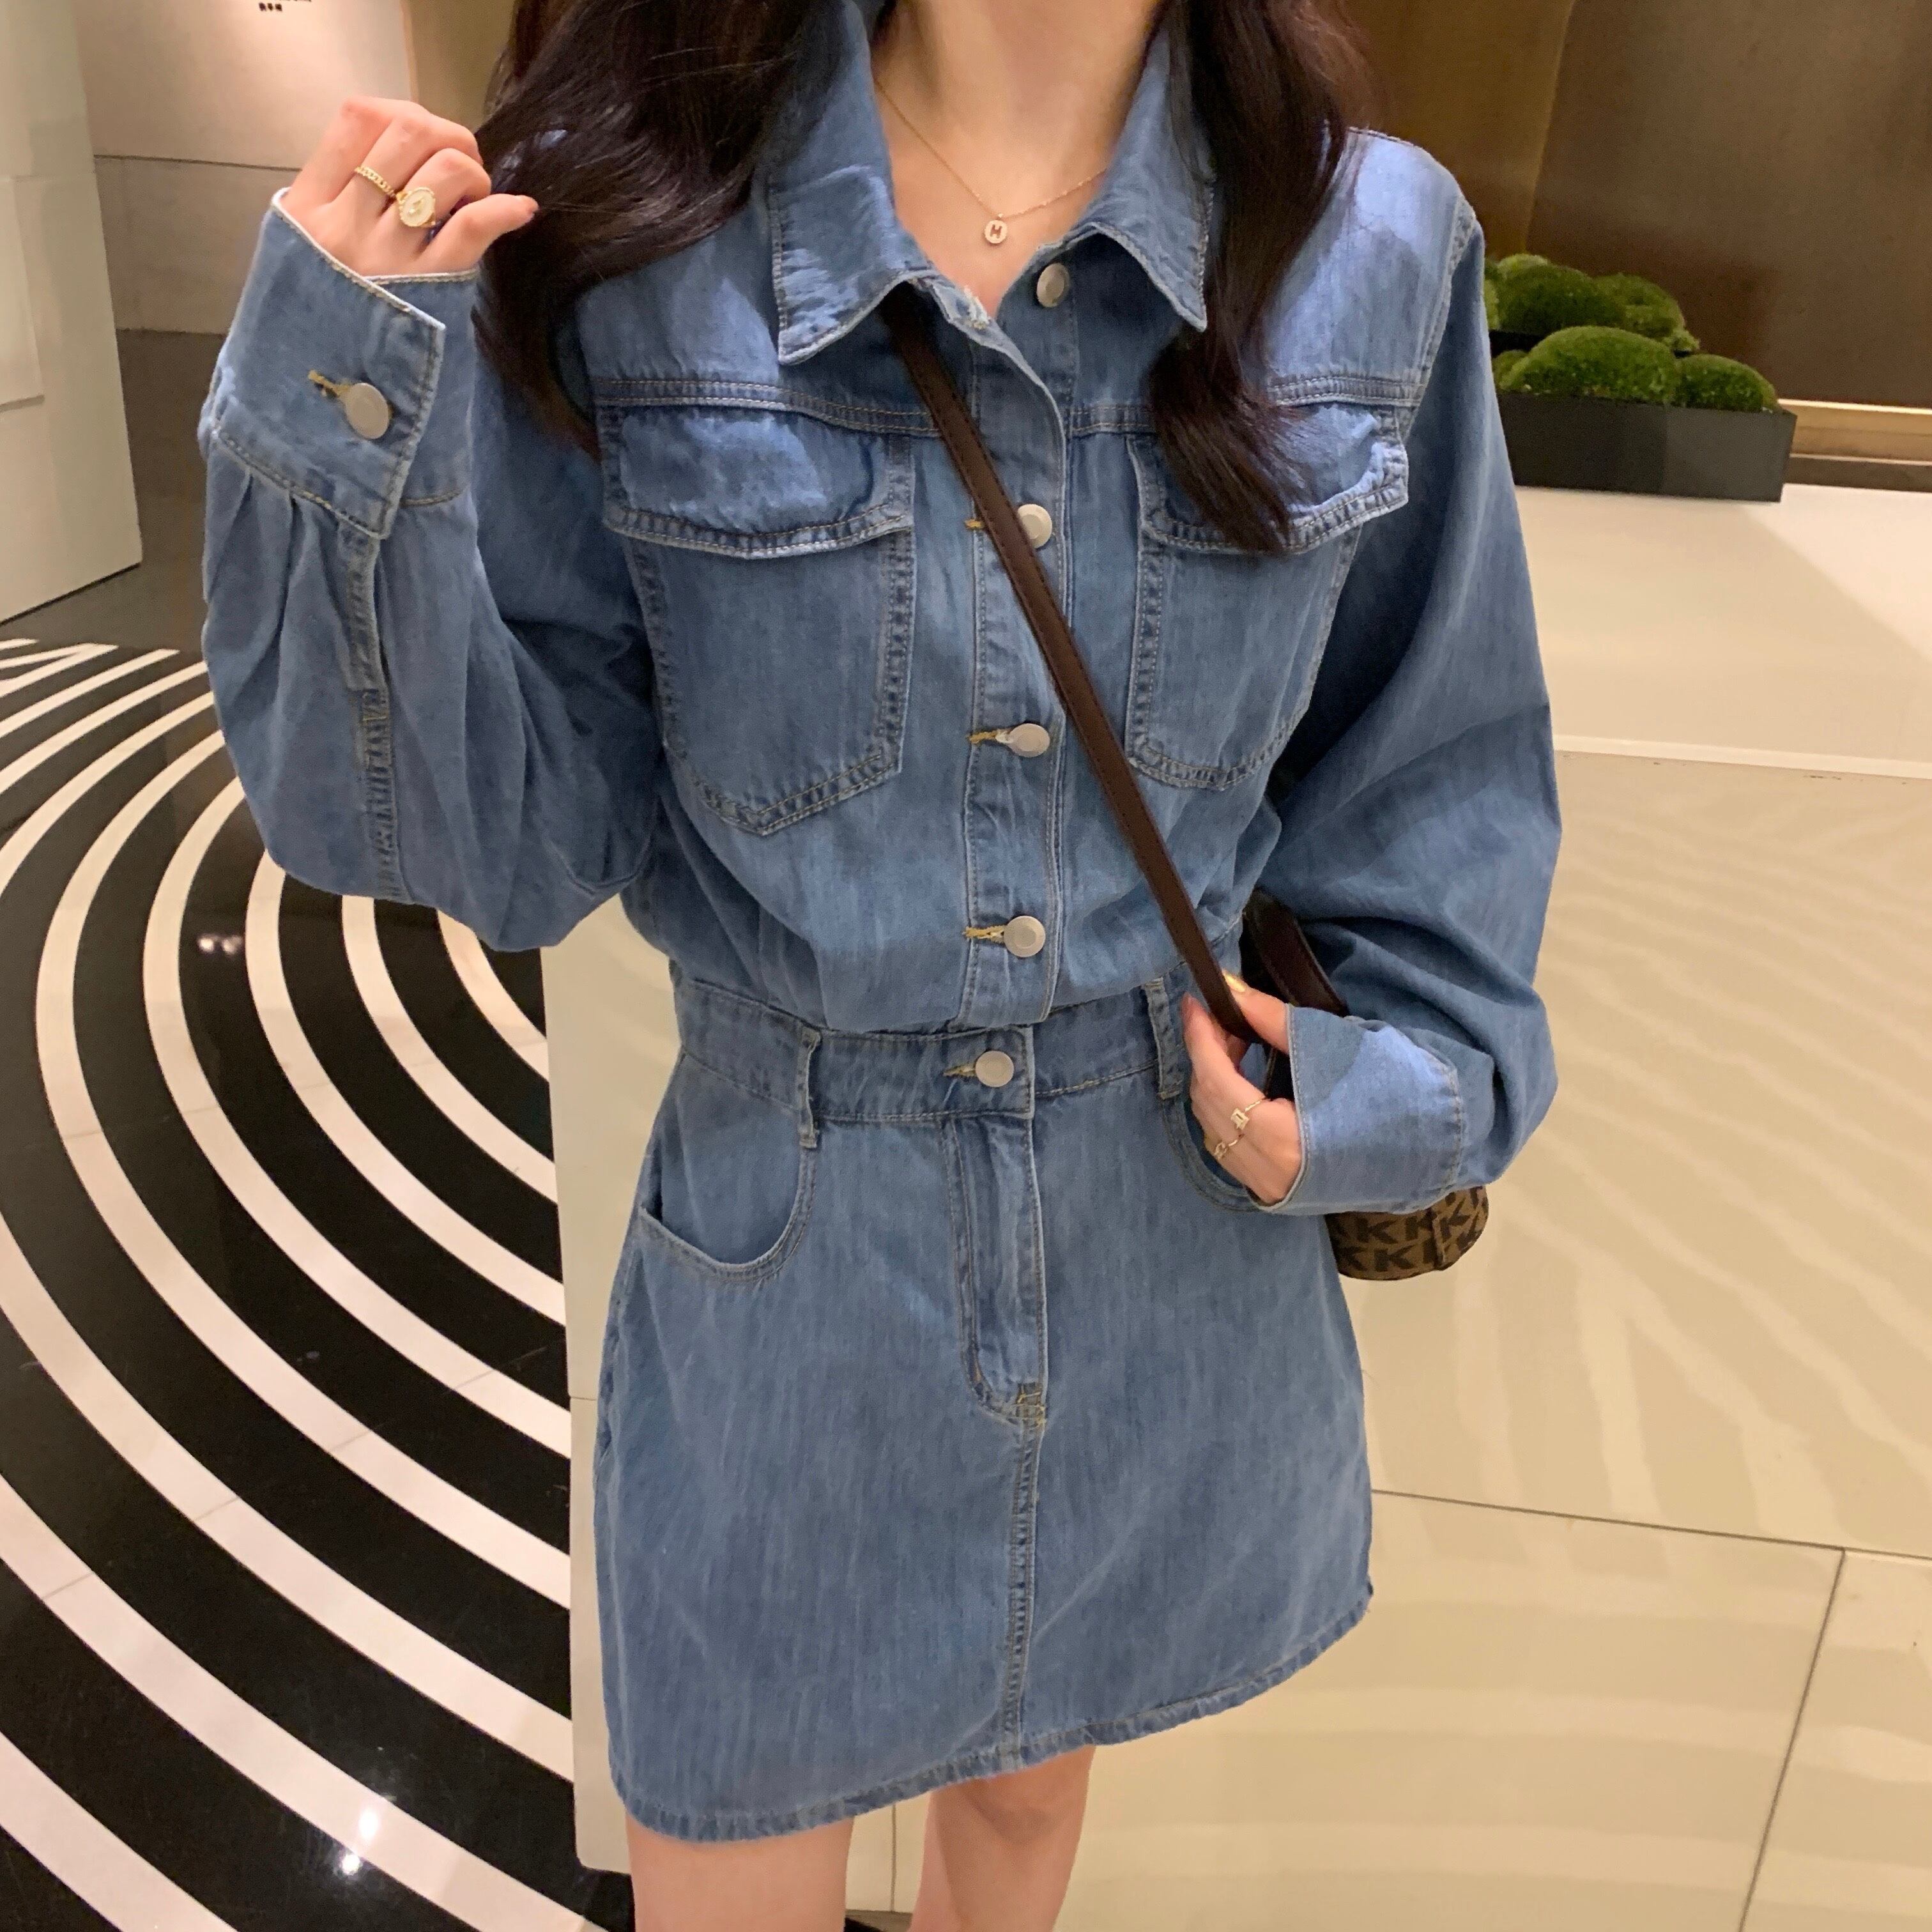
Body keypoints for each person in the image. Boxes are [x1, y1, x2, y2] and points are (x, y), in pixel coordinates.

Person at [197, 0, 1560, 1923]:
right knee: (731, 1838)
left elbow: (1433, 756)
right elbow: (489, 840)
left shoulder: (1368, 242)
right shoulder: (642, 226)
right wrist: (346, 398)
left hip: (1167, 1248)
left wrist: (1381, 1092)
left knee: (1026, 1810)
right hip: (794, 1272)